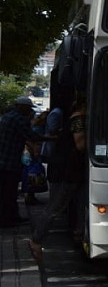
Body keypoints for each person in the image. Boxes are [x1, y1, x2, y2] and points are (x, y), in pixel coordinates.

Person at [29, 98, 87, 260]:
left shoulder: (75, 119)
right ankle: (36, 240)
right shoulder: (77, 120)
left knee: (80, 204)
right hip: (66, 172)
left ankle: (79, 235)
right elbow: (80, 144)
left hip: (71, 171)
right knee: (55, 207)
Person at [0, 97, 53, 227]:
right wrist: (52, 138)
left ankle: (11, 217)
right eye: (28, 108)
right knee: (9, 193)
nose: (29, 111)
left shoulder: (6, 117)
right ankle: (7, 219)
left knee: (5, 192)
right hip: (9, 162)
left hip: (3, 160)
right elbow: (31, 136)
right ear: (22, 107)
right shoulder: (19, 119)